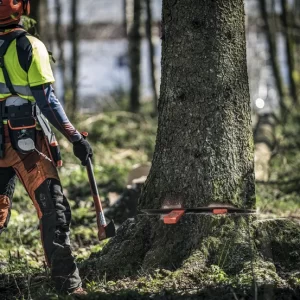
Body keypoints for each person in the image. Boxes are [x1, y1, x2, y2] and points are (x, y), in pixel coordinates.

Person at [0, 0, 92, 295]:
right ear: (22, 8)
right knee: (54, 211)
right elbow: (47, 102)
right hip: (26, 145)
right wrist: (76, 138)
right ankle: (69, 287)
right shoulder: (30, 46)